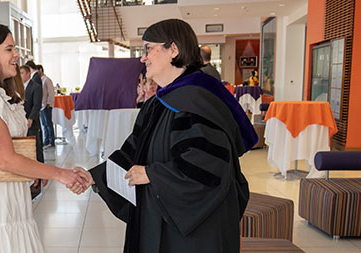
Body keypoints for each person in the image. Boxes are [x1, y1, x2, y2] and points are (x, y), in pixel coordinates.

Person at [75, 19, 257, 253]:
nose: (143, 58)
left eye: (148, 48)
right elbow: (133, 151)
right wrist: (95, 176)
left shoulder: (197, 99)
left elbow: (208, 166)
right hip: (162, 216)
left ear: (173, 50)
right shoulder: (161, 102)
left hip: (195, 230)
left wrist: (151, 173)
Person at [0, 22, 89, 252]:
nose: (17, 55)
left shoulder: (2, 95)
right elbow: (5, 159)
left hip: (9, 190)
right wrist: (59, 174)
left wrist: (31, 170)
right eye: (9, 49)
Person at [20, 64, 44, 163]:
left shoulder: (36, 87)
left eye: (22, 73)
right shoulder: (18, 87)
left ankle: (41, 172)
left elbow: (36, 105)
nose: (20, 75)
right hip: (20, 120)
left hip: (31, 121)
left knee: (35, 146)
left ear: (28, 74)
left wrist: (31, 118)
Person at [37, 64, 55, 148]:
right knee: (44, 124)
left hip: (46, 105)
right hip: (41, 105)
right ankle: (46, 140)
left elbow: (51, 92)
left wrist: (49, 103)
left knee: (48, 124)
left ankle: (51, 141)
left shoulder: (47, 80)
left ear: (40, 70)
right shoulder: (40, 80)